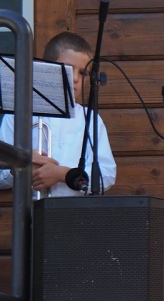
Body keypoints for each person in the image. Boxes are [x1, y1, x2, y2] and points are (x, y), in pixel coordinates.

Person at [0, 32, 116, 197]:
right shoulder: (16, 115)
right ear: (46, 67)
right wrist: (21, 163)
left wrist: (61, 174)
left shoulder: (90, 119)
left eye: (83, 73)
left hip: (76, 215)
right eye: (68, 68)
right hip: (30, 214)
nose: (75, 79)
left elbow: (107, 175)